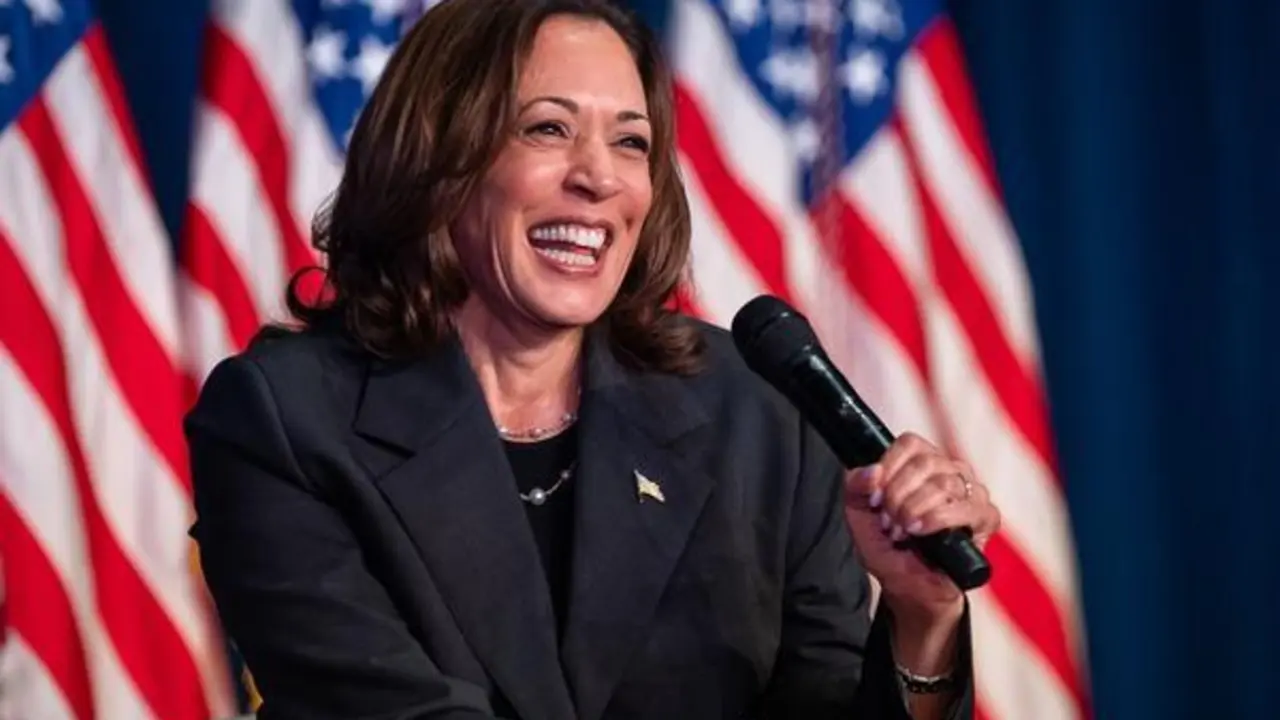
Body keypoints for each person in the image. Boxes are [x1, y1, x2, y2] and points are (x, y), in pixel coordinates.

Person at [185, 0, 1002, 718]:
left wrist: (920, 617)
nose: (600, 178)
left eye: (631, 142)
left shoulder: (754, 415)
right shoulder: (283, 421)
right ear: (436, 158)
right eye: (547, 128)